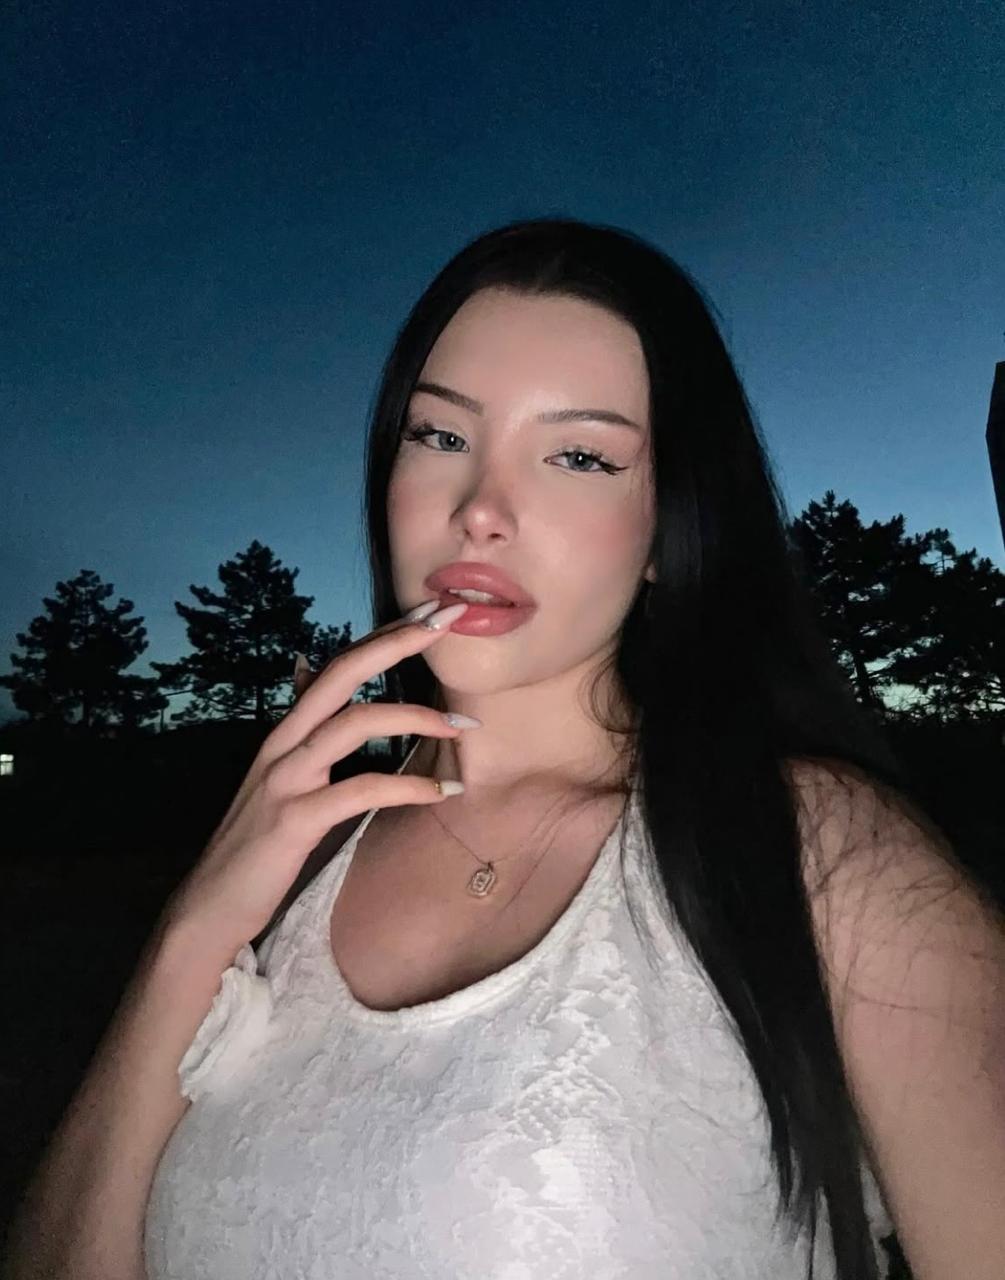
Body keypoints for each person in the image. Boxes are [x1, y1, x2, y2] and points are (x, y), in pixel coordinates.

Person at [5, 218, 1003, 1280]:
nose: (480, 509)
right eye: (439, 436)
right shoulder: (293, 864)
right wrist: (193, 932)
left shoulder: (825, 857)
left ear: (667, 527)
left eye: (578, 455)